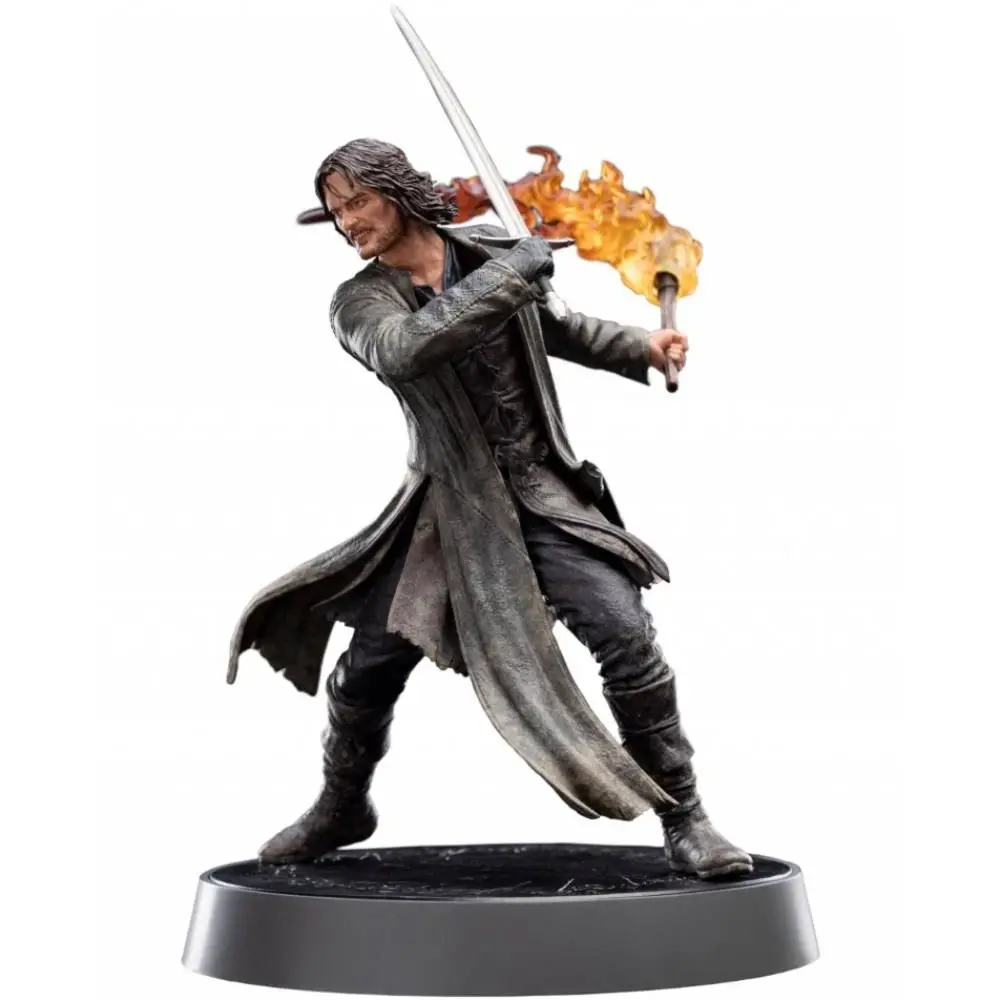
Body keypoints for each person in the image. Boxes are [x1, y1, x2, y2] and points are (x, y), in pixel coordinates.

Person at [228, 138, 752, 879]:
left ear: (397, 193)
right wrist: (512, 271)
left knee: (627, 636)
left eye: (358, 202)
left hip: (544, 495)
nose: (348, 222)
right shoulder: (362, 302)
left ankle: (686, 817)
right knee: (369, 668)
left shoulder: (486, 254)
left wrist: (641, 345)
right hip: (447, 511)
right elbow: (407, 349)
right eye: (337, 211)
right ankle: (343, 803)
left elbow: (555, 326)